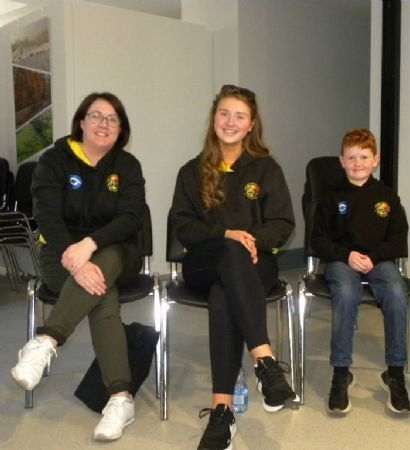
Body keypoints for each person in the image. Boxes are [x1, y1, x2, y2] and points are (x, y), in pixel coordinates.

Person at [11, 92, 146, 441]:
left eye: (112, 118)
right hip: (61, 254)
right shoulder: (54, 160)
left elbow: (131, 217)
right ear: (81, 122)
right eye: (96, 115)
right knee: (102, 294)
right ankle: (121, 398)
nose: (104, 124)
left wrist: (90, 245)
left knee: (105, 264)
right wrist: (76, 259)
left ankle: (46, 340)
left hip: (118, 252)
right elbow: (47, 215)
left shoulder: (127, 166)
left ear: (121, 128)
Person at [170, 84, 297, 450]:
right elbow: (184, 226)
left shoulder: (266, 168)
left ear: (251, 125)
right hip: (203, 262)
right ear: (214, 119)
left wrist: (250, 242)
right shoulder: (191, 171)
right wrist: (227, 234)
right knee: (228, 253)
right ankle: (264, 359)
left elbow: (283, 223)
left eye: (239, 116)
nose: (230, 121)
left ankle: (221, 410)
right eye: (224, 113)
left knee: (224, 292)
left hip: (255, 263)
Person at [311, 128, 410, 416]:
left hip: (379, 261)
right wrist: (347, 255)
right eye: (351, 158)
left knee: (396, 291)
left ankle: (395, 374)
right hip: (341, 260)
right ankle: (341, 374)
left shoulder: (387, 197)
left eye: (364, 157)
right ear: (341, 161)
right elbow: (318, 240)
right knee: (345, 293)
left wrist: (374, 257)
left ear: (375, 160)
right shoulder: (330, 196)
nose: (358, 163)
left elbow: (399, 239)